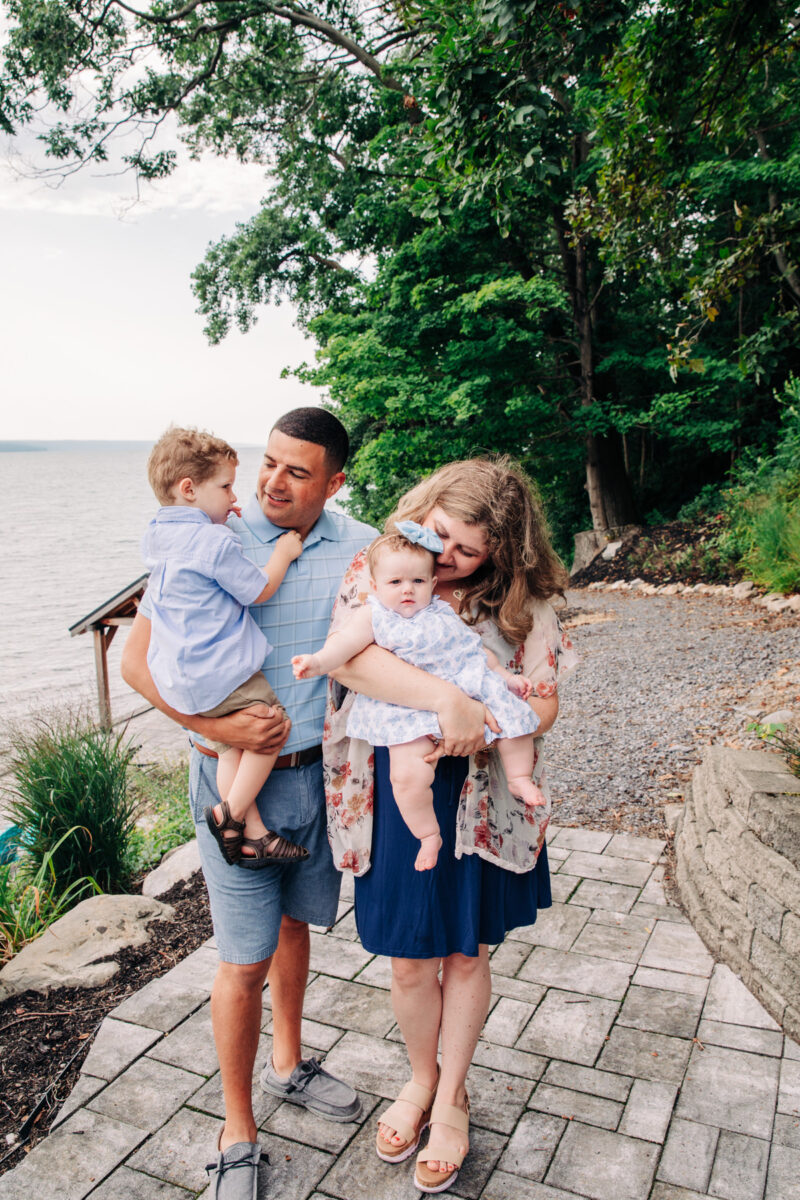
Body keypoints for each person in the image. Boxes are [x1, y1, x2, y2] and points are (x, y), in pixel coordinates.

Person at [122, 408, 383, 1197]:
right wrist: (213, 725)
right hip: (231, 775)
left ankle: (288, 1063)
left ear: (334, 483)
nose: (271, 481)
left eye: (296, 471)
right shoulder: (209, 532)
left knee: (295, 928)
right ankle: (237, 1133)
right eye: (267, 462)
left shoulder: (362, 548)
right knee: (241, 961)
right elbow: (137, 663)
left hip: (317, 778)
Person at [322, 457, 577, 1193]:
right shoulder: (379, 567)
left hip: (481, 800)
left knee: (467, 953)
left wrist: (480, 723)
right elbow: (352, 664)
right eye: (442, 538)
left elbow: (545, 704)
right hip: (397, 795)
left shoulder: (526, 605)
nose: (449, 559)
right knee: (409, 958)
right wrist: (448, 702)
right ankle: (420, 1077)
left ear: (503, 550)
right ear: (422, 514)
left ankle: (453, 1097)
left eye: (470, 550)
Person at [292, 522, 543, 871]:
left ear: (432, 584)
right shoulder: (374, 615)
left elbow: (475, 651)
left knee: (514, 720)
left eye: (418, 581)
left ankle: (519, 778)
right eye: (395, 582)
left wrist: (505, 677)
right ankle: (428, 834)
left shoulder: (439, 611)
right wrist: (317, 662)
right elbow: (344, 646)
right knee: (406, 777)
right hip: (405, 706)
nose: (407, 589)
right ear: (375, 586)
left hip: (468, 685)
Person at [142, 426, 308, 867]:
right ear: (189, 489)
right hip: (218, 670)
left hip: (179, 678)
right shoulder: (213, 541)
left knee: (232, 747)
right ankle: (228, 814)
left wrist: (216, 514)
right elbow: (257, 590)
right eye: (225, 487)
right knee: (271, 728)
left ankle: (253, 834)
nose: (235, 497)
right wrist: (284, 553)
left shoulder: (156, 535)